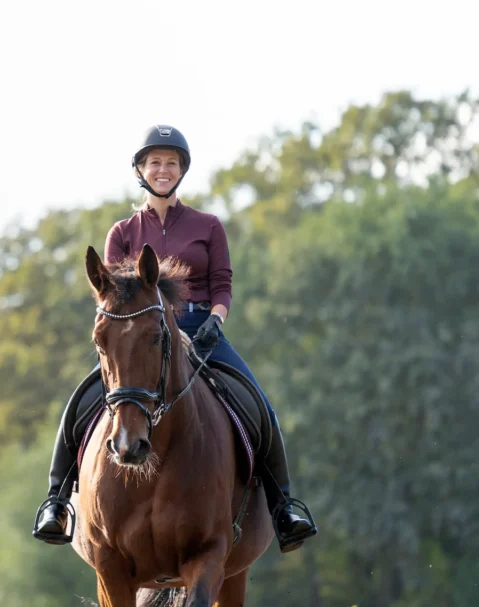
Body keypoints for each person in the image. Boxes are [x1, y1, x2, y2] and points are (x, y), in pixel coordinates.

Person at [31, 124, 318, 553]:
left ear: (181, 171)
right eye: (155, 163)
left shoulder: (208, 225)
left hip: (201, 332)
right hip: (138, 340)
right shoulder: (122, 232)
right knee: (80, 402)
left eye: (171, 163)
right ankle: (56, 502)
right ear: (141, 171)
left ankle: (284, 508)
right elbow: (113, 293)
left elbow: (222, 283)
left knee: (259, 403)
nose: (163, 170)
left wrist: (216, 321)